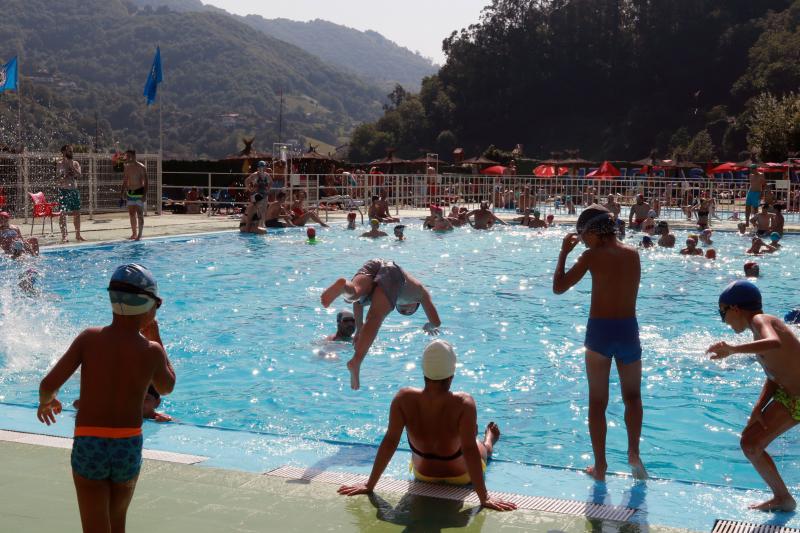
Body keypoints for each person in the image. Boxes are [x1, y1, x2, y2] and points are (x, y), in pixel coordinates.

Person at [36, 264, 176, 532]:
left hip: (90, 442)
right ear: (149, 307)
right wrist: (157, 340)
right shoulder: (151, 350)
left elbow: (48, 384)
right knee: (117, 522)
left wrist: (47, 401)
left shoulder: (89, 339)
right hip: (127, 445)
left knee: (94, 525)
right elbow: (167, 386)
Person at [337, 340, 516, 512]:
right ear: (452, 374)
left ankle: (476, 436)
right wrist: (484, 497)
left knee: (466, 440)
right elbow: (469, 451)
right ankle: (488, 442)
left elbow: (390, 442)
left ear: (424, 371)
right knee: (477, 446)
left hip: (423, 475)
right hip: (461, 476)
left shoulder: (403, 398)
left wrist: (369, 485)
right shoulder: (464, 402)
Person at [552, 204, 647, 481]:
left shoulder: (590, 256)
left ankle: (601, 466)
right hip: (629, 330)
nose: (582, 241)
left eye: (583, 235)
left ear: (593, 231)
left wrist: (563, 253)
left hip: (600, 333)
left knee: (597, 402)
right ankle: (633, 454)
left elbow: (558, 288)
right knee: (633, 397)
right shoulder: (633, 255)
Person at [708, 281, 800, 512]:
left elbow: (775, 342)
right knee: (750, 443)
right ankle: (783, 499)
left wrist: (732, 349)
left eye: (723, 312)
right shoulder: (757, 332)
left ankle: (783, 498)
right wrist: (758, 408)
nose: (723, 320)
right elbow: (773, 376)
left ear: (735, 309)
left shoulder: (762, 321)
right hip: (790, 396)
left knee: (751, 444)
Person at [320, 259, 441, 390]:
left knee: (354, 294)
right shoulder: (420, 293)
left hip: (375, 263)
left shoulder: (391, 292)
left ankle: (344, 287)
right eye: (407, 311)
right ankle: (357, 361)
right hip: (393, 272)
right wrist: (428, 326)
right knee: (375, 317)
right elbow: (436, 322)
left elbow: (358, 304)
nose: (404, 310)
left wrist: (359, 330)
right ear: (415, 305)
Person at [57, 144, 85, 242]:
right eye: (69, 151)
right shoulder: (59, 164)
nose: (71, 153)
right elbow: (59, 179)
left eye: (72, 151)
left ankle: (78, 235)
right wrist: (64, 175)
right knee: (63, 214)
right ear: (64, 152)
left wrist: (71, 167)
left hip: (74, 190)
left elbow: (79, 175)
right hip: (64, 190)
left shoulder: (75, 163)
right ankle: (64, 236)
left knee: (77, 213)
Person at [120, 150, 148, 241]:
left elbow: (146, 182)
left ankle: (139, 235)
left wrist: (144, 195)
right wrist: (122, 193)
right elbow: (125, 181)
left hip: (139, 192)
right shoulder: (127, 167)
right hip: (131, 192)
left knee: (140, 214)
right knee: (131, 214)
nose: (127, 158)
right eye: (126, 156)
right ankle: (134, 233)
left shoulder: (141, 167)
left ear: (134, 156)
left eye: (129, 156)